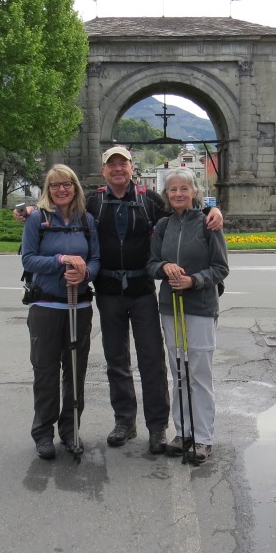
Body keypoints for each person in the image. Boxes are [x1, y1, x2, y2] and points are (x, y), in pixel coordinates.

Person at [87, 146, 223, 454]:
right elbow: (63, 206)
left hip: (143, 291)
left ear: (131, 168)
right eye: (111, 164)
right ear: (104, 170)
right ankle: (125, 422)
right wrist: (31, 212)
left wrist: (213, 212)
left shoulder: (149, 200)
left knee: (152, 360)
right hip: (109, 291)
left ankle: (158, 426)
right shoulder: (94, 201)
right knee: (116, 361)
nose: (117, 169)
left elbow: (183, 214)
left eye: (123, 164)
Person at [147, 169, 229, 464]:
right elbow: (151, 263)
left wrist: (193, 280)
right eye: (173, 189)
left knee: (199, 374)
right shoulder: (163, 225)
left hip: (201, 307)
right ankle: (183, 432)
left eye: (184, 188)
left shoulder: (209, 223)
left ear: (194, 192)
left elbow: (220, 268)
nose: (178, 193)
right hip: (171, 307)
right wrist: (164, 267)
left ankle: (203, 437)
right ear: (166, 194)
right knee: (179, 371)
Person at [21, 165, 100, 461]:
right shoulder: (37, 219)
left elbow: (96, 259)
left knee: (75, 372)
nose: (61, 189)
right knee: (45, 371)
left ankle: (71, 431)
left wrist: (85, 274)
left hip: (79, 307)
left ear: (75, 187)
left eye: (66, 184)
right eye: (55, 185)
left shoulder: (86, 220)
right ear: (48, 189)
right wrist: (60, 260)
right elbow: (29, 260)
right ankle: (43, 433)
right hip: (46, 307)